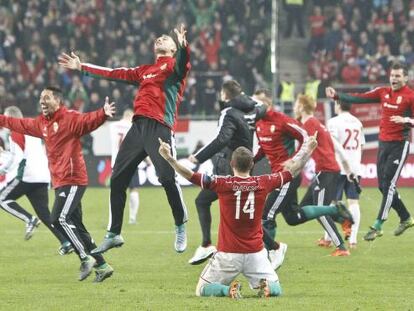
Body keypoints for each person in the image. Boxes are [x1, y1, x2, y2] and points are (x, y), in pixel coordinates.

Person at [59, 24, 191, 254]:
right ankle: (114, 233)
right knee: (118, 179)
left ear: (171, 48)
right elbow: (114, 73)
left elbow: (183, 64)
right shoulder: (145, 70)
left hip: (159, 127)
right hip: (138, 127)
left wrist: (182, 46)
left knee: (167, 178)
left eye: (165, 38)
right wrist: (82, 67)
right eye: (158, 38)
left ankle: (180, 225)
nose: (160, 38)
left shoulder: (173, 67)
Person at [158, 137, 317, 298]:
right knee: (277, 288)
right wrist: (309, 150)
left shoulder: (222, 183)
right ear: (252, 165)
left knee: (202, 289)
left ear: (232, 164)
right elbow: (293, 171)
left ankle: (228, 290)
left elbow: (190, 175)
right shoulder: (265, 182)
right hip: (256, 253)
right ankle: (267, 287)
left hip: (228, 254)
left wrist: (169, 158)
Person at [0, 86, 115, 282]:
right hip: (59, 181)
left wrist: (103, 114)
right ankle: (103, 265)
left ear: (58, 101)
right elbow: (16, 123)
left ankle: (85, 258)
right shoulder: (41, 124)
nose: (42, 102)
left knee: (58, 218)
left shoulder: (69, 118)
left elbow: (87, 121)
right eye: (40, 98)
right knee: (77, 226)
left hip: (73, 179)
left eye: (46, 98)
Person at [253, 89, 354, 267]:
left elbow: (308, 140)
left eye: (255, 104)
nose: (252, 107)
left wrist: (294, 160)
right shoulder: (259, 124)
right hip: (313, 171)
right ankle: (335, 212)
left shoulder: (302, 123)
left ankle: (269, 256)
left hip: (312, 172)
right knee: (293, 217)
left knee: (266, 215)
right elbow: (264, 147)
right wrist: (250, 161)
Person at [325, 61, 414, 241]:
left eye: (398, 76)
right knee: (382, 186)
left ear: (406, 78)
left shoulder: (410, 96)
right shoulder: (383, 92)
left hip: (400, 144)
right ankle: (405, 217)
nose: (394, 79)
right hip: (383, 144)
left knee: (388, 186)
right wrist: (337, 96)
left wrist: (407, 120)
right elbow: (359, 97)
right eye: (392, 75)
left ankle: (378, 225)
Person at [187, 80, 266, 265]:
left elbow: (221, 139)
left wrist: (198, 156)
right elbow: (262, 105)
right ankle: (208, 245)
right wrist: (247, 98)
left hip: (232, 166)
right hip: (247, 164)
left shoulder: (229, 112)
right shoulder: (254, 110)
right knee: (242, 213)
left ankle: (207, 245)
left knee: (207, 203)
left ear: (224, 95)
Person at [0, 106, 73, 254]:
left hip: (28, 175)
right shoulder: (32, 127)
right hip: (43, 176)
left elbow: (17, 157)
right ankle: (66, 242)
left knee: (2, 199)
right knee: (44, 213)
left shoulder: (16, 131)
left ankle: (29, 219)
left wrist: (3, 169)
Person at [294, 94, 351, 256]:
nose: (294, 106)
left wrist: (293, 163)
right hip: (325, 171)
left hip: (326, 171)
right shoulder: (313, 123)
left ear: (302, 107)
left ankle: (341, 247)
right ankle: (341, 217)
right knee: (303, 208)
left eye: (297, 103)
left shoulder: (310, 123)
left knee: (321, 212)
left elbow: (306, 146)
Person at [327, 100, 364, 248]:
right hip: (355, 167)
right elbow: (362, 145)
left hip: (338, 166)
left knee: (332, 203)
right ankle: (353, 239)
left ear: (339, 106)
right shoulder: (358, 122)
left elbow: (332, 144)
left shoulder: (333, 122)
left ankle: (329, 238)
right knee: (353, 201)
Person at [109, 109, 142, 224]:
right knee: (133, 190)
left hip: (116, 163)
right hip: (131, 162)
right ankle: (132, 218)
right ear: (131, 116)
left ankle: (113, 220)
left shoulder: (113, 126)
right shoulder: (134, 126)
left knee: (117, 191)